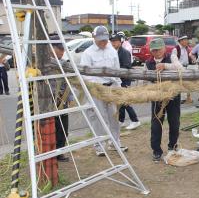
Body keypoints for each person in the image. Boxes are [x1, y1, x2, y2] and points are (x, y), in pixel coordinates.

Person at [80, 26, 128, 156]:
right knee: (98, 118)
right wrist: (97, 87)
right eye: (100, 40)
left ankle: (115, 142)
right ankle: (99, 145)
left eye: (105, 40)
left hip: (111, 88)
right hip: (96, 89)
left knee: (114, 117)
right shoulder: (88, 53)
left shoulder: (111, 50)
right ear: (94, 38)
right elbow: (85, 74)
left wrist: (118, 88)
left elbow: (116, 70)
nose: (103, 42)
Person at [145, 38, 183, 162]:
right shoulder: (148, 62)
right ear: (151, 51)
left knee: (174, 121)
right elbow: (144, 78)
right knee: (156, 123)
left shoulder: (172, 57)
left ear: (164, 48)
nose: (157, 52)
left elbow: (180, 68)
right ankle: (156, 150)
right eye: (154, 50)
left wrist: (165, 66)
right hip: (157, 97)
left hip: (173, 95)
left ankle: (173, 146)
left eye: (159, 49)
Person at [109, 33, 141, 130]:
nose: (113, 43)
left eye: (115, 41)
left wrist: (114, 69)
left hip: (124, 79)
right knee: (119, 101)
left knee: (125, 100)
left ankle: (135, 120)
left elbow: (127, 67)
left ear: (120, 41)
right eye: (112, 41)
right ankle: (121, 120)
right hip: (117, 80)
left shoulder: (124, 52)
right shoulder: (113, 52)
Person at [50, 37, 73, 162]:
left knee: (63, 127)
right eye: (60, 49)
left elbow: (68, 82)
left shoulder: (64, 63)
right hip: (48, 99)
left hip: (62, 99)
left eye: (63, 49)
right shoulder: (43, 63)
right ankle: (50, 153)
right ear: (51, 48)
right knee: (50, 128)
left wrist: (70, 97)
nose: (62, 52)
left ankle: (60, 152)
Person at [171, 35, 192, 104]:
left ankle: (186, 98)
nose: (187, 41)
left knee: (186, 83)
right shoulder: (176, 49)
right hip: (179, 68)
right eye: (185, 40)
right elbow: (174, 60)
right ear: (181, 41)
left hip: (186, 67)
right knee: (181, 83)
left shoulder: (186, 48)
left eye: (187, 40)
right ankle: (182, 98)